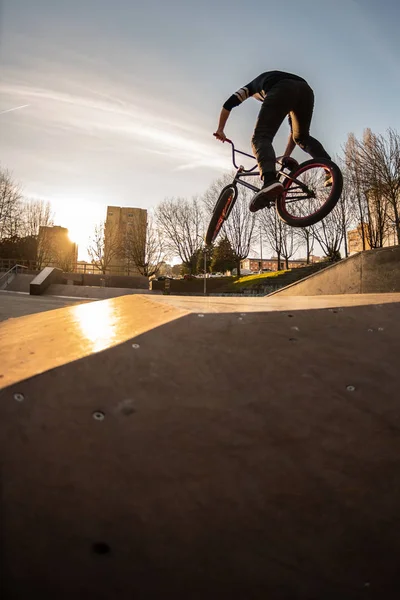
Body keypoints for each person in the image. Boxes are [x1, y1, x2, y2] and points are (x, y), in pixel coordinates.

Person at [214, 70, 331, 212]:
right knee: (301, 137)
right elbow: (294, 133)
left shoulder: (250, 87)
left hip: (282, 87)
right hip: (306, 91)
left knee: (260, 137)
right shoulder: (278, 88)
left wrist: (220, 129)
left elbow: (228, 104)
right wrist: (286, 156)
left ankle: (269, 180)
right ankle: (330, 169)